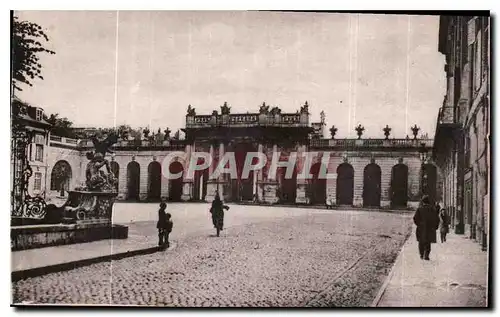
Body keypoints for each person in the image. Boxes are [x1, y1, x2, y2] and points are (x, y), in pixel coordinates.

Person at [413, 195, 439, 260]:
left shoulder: (419, 209)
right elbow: (437, 219)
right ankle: (426, 255)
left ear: (423, 201)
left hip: (421, 229)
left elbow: (415, 218)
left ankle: (421, 255)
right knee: (428, 242)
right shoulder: (432, 209)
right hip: (430, 229)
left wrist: (419, 225)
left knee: (421, 242)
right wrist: (435, 226)